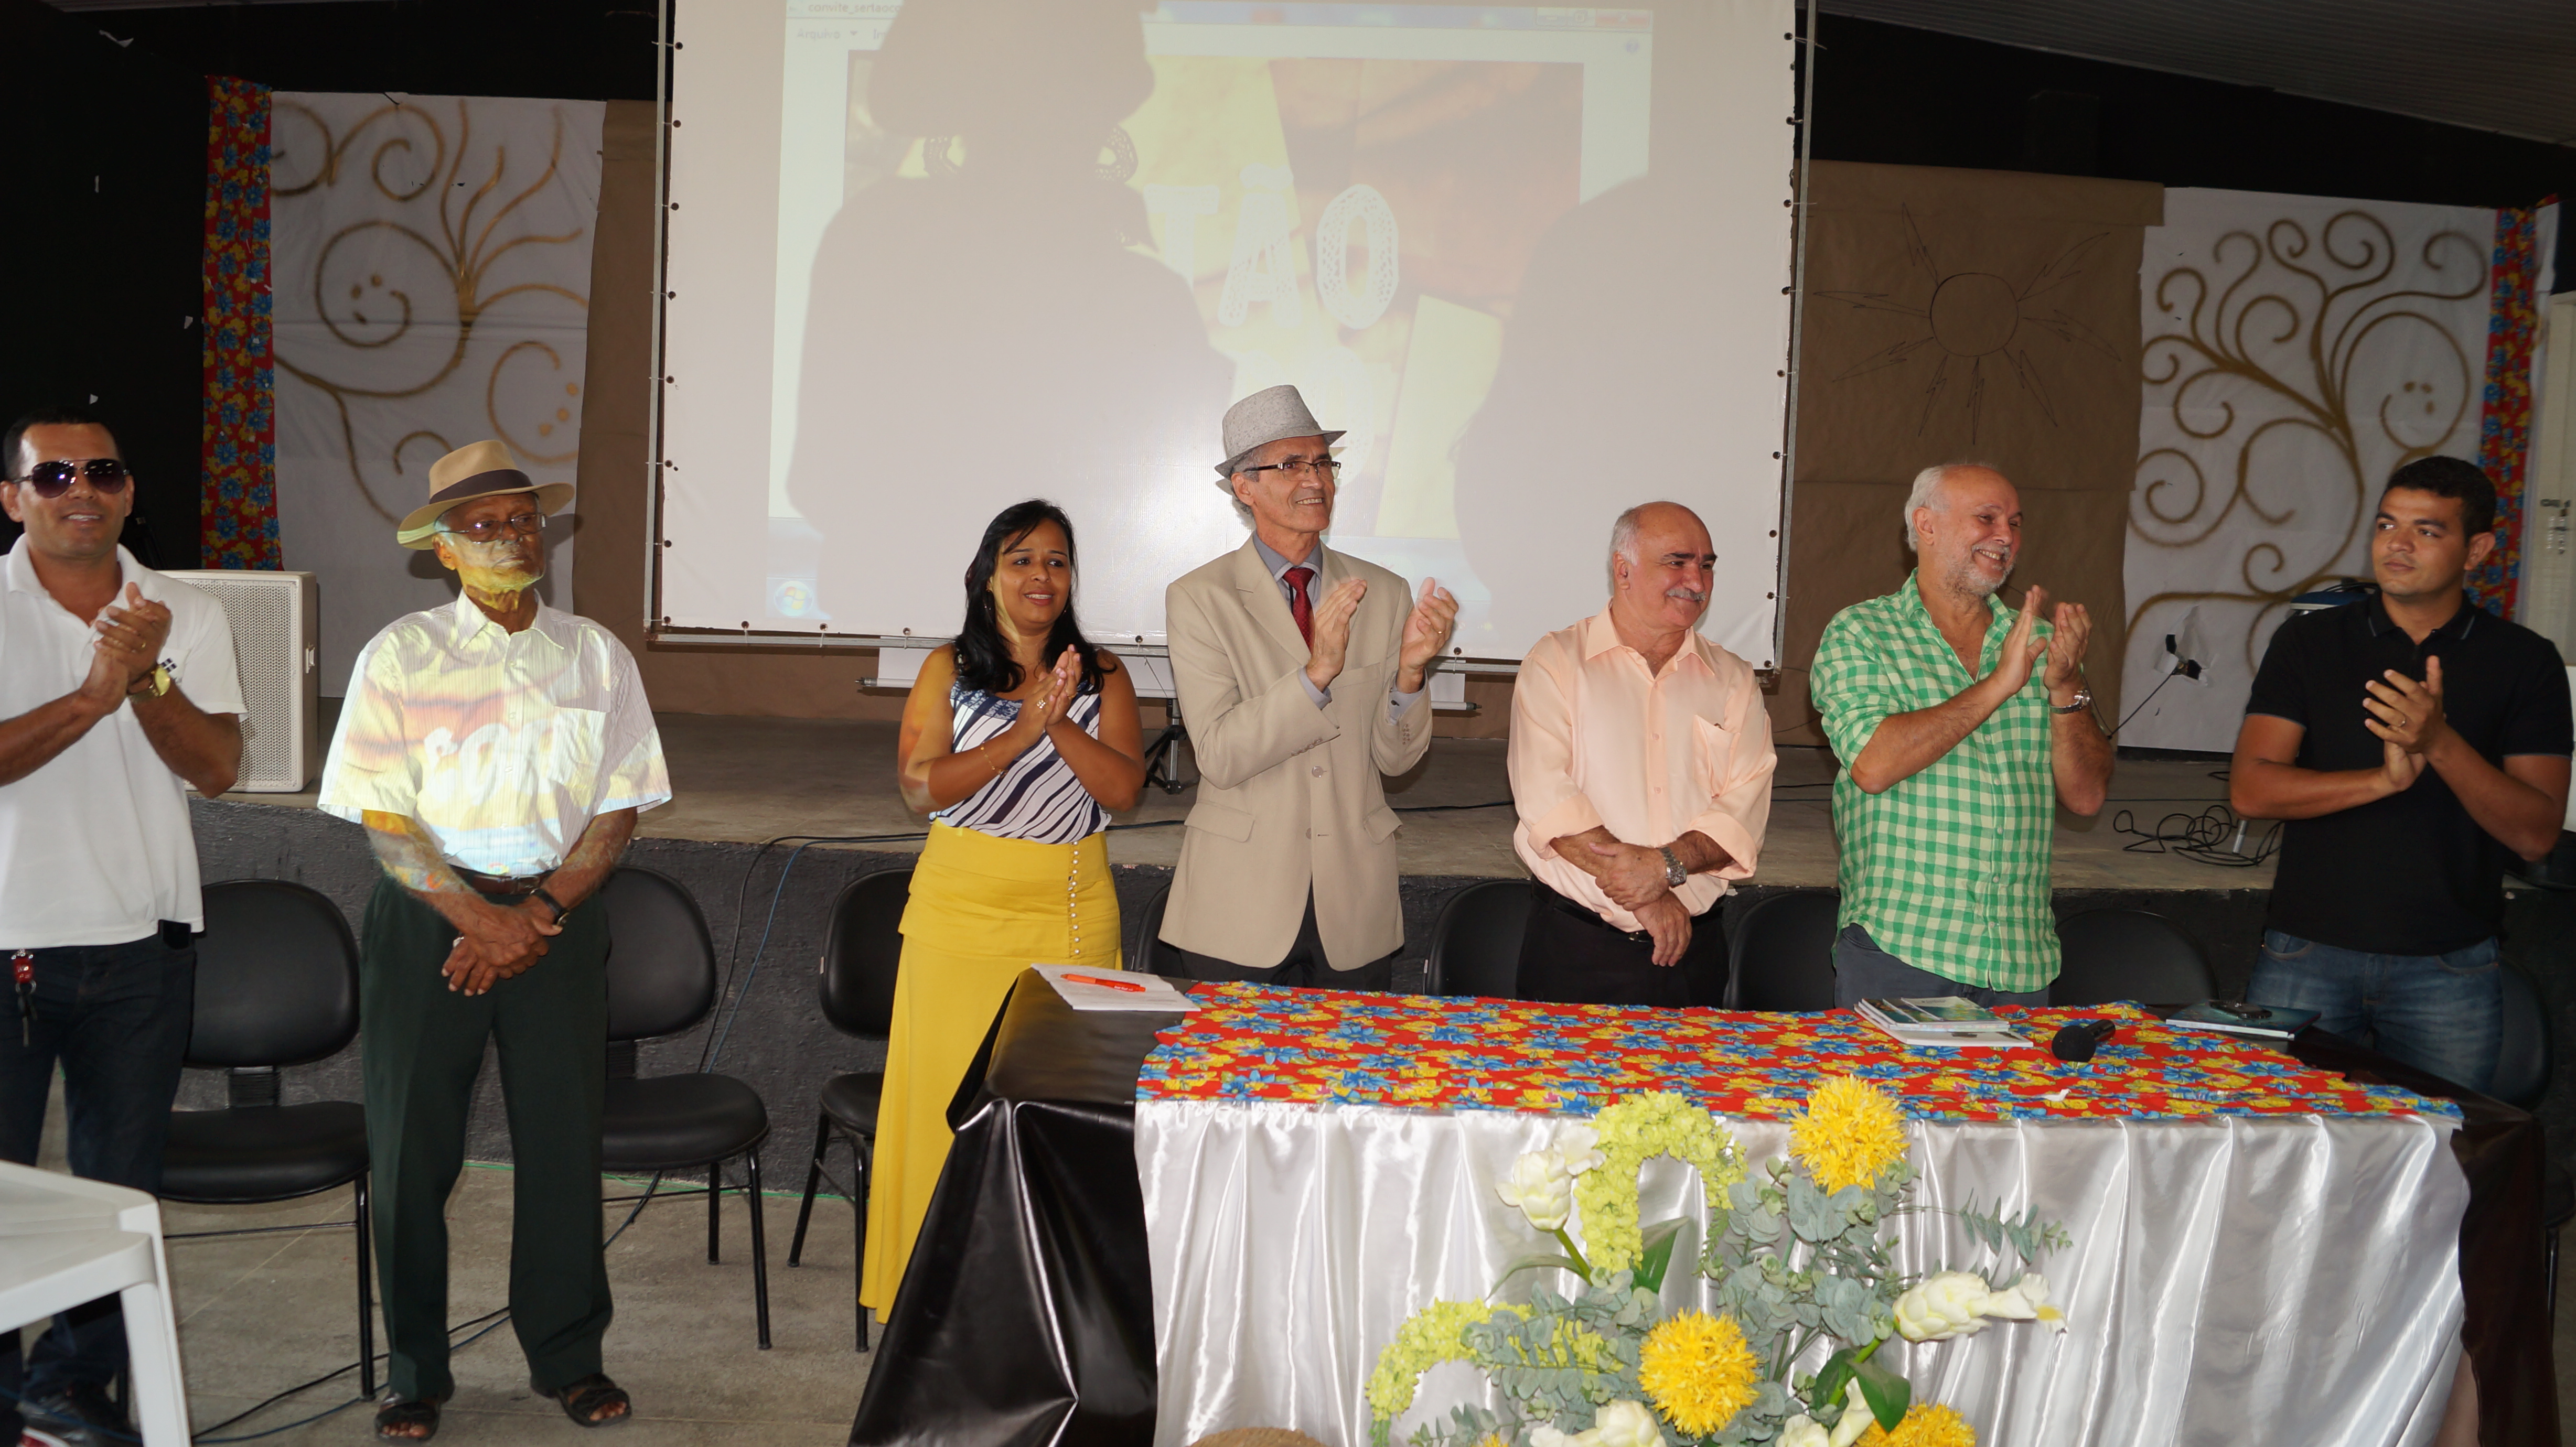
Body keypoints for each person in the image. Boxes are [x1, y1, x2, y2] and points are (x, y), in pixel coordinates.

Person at [318, 440, 668, 1440]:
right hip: (428, 921)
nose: (512, 536)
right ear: (442, 549)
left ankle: (568, 1356)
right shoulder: (400, 656)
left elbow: (620, 806)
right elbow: (385, 820)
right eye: (485, 525)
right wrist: (481, 921)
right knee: (409, 1151)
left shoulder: (596, 655)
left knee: (562, 1145)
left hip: (558, 918)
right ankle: (414, 1372)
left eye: (523, 519)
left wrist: (537, 915)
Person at [0, 406, 242, 1447]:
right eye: (53, 475)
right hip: (9, 940)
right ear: (11, 498)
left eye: (101, 471)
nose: (81, 490)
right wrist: (92, 697)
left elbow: (218, 768)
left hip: (144, 945)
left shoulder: (185, 611)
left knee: (118, 1191)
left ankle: (69, 1388)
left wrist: (146, 679)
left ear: (130, 491)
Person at [868, 500, 1144, 1319]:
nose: (1041, 576)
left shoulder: (1103, 673)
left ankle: (1046, 1309)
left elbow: (1124, 790)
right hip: (959, 918)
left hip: (1070, 913)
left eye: (1057, 561)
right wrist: (1018, 733)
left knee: (1064, 1119)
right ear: (988, 574)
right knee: (944, 1108)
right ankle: (934, 1304)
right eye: (1022, 559)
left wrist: (1058, 724)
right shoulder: (948, 667)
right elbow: (920, 788)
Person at [2229, 457, 2571, 1092]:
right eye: (2387, 524)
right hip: (2305, 953)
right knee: (2275, 1135)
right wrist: (2381, 782)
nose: (2397, 544)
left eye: (2427, 530)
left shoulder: (2525, 662)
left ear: (2477, 551)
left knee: (2439, 1145)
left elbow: (2535, 835)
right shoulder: (2309, 642)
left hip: (2450, 966)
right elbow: (2251, 790)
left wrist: (2438, 742)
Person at [1159, 385, 1457, 987]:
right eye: (1291, 465)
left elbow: (1397, 761)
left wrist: (1410, 675)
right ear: (1244, 487)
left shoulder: (1384, 591)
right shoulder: (1201, 597)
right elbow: (1220, 754)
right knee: (1230, 1054)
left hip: (1354, 904)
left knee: (1353, 1054)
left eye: (1322, 463)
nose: (1315, 480)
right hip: (1238, 903)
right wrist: (1316, 674)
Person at [1810, 462, 2112, 1007]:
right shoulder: (1863, 632)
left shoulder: (2041, 641)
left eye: (2015, 523)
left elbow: (2087, 797)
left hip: (2020, 960)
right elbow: (1873, 765)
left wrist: (2067, 686)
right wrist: (1998, 684)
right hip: (1903, 950)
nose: (2006, 536)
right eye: (1987, 518)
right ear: (1926, 525)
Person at [1507, 502, 1776, 1006]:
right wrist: (1649, 896)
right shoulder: (1557, 662)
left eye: (1707, 565)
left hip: (1695, 952)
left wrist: (1664, 868)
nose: (1696, 581)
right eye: (1677, 562)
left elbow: (1744, 810)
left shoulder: (1734, 680)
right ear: (1623, 570)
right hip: (1576, 946)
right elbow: (1548, 801)